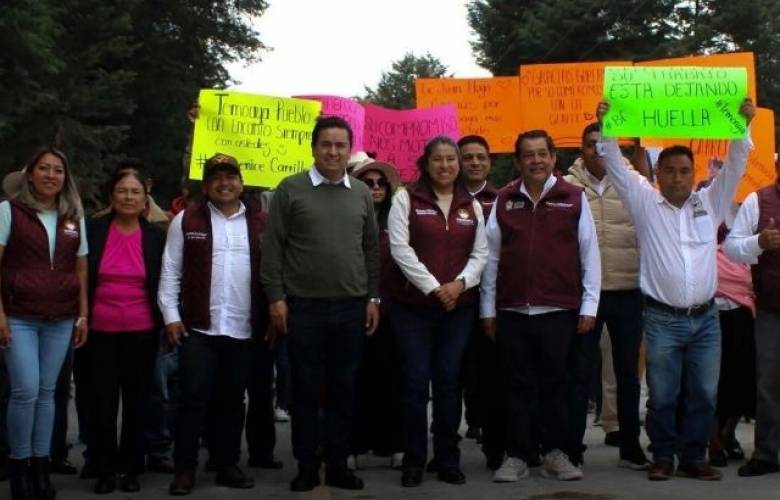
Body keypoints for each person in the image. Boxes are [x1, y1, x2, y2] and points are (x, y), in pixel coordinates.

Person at [597, 99, 754, 481]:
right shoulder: (644, 202)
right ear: (658, 174)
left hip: (706, 319)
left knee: (704, 394)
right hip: (662, 319)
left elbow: (736, 163)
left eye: (685, 171)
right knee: (663, 395)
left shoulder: (712, 202)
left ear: (694, 173)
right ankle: (663, 456)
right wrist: (607, 125)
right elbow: (615, 164)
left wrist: (742, 125)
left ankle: (694, 457)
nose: (678, 178)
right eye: (669, 171)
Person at [260, 116, 380, 492]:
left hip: (350, 307)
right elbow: (272, 248)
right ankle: (307, 464)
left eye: (340, 145)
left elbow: (371, 249)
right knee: (306, 390)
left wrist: (373, 296)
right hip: (303, 308)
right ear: (313, 148)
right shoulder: (290, 189)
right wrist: (276, 298)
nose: (333, 152)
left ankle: (339, 463)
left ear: (349, 150)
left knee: (345, 389)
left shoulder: (360, 192)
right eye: (326, 144)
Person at [481, 129, 600, 483]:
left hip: (559, 310)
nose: (536, 160)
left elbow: (589, 255)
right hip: (512, 310)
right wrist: (488, 310)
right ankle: (517, 455)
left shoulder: (573, 198)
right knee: (515, 385)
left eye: (542, 154)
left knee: (556, 384)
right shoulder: (504, 200)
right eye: (528, 155)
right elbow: (490, 258)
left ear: (553, 158)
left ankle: (555, 453)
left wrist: (589, 306)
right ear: (518, 161)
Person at [159, 153, 267, 495]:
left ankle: (226, 463)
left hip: (243, 327)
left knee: (233, 401)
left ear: (241, 183)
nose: (224, 183)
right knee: (192, 399)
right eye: (217, 177)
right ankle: (185, 468)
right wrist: (171, 317)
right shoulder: (186, 220)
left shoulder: (260, 222)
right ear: (205, 186)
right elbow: (170, 271)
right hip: (198, 328)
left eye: (231, 177)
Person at [387, 136, 488, 487]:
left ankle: (447, 458)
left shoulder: (471, 205)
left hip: (458, 309)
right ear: (426, 164)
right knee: (416, 382)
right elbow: (400, 249)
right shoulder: (406, 198)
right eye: (438, 159)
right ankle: (414, 460)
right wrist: (433, 287)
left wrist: (459, 285)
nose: (445, 165)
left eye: (451, 159)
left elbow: (481, 254)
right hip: (412, 309)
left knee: (448, 381)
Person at [0, 146, 89, 500]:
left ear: (65, 178)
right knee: (26, 391)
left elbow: (81, 268)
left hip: (61, 317)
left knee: (48, 393)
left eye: (58, 170)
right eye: (44, 168)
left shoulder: (73, 217)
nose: (51, 175)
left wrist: (83, 314)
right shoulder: (9, 211)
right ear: (30, 174)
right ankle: (19, 467)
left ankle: (41, 465)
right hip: (19, 316)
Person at [563, 122, 651, 470]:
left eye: (604, 144)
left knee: (628, 372)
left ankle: (630, 446)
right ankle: (572, 446)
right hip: (585, 294)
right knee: (579, 370)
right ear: (581, 150)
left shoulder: (635, 184)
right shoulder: (566, 187)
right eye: (590, 144)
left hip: (628, 291)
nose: (597, 150)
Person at [85, 170, 166, 494]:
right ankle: (104, 467)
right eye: (122, 191)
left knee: (137, 401)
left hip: (142, 329)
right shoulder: (93, 231)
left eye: (135, 192)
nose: (128, 197)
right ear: (111, 196)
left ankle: (132, 467)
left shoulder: (156, 236)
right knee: (102, 402)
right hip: (99, 330)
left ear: (145, 199)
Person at [723, 155, 780, 477]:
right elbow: (732, 248)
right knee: (768, 383)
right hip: (772, 309)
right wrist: (759, 242)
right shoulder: (758, 201)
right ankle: (766, 453)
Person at [349, 160, 403, 470]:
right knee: (356, 378)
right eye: (368, 183)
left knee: (392, 378)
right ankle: (355, 443)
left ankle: (392, 442)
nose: (376, 188)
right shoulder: (348, 219)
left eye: (381, 183)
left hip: (394, 310)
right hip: (353, 308)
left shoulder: (399, 218)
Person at [456, 135, 505, 470]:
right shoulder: (448, 197)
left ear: (490, 162)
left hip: (492, 297)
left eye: (481, 157)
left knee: (489, 366)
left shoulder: (502, 199)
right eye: (468, 157)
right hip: (454, 295)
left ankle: (490, 430)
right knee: (456, 367)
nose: (474, 163)